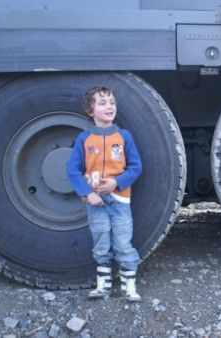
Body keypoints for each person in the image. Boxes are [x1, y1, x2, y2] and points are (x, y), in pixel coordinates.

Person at [67, 86, 143, 301]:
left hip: (119, 199)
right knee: (101, 241)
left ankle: (130, 286)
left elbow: (136, 167)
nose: (109, 106)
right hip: (95, 201)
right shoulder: (84, 139)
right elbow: (73, 170)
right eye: (102, 103)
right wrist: (87, 193)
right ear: (91, 111)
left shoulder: (124, 136)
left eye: (111, 102)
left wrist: (116, 182)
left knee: (122, 241)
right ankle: (103, 285)